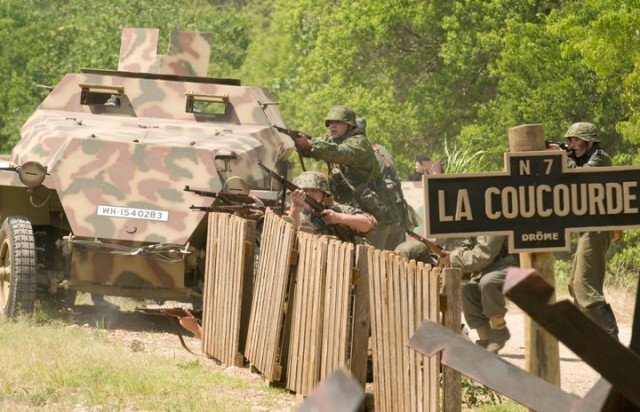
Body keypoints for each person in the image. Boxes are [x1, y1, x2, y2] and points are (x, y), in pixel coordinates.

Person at [292, 106, 401, 250]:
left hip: (369, 212)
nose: (332, 126)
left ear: (349, 125)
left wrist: (310, 145)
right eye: (330, 123)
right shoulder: (333, 140)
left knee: (371, 258)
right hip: (346, 211)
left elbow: (340, 152)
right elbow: (317, 146)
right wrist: (301, 142)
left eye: (338, 122)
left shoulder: (360, 143)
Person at [551, 122, 619, 339]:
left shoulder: (600, 158)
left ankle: (610, 343)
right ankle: (598, 341)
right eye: (570, 140)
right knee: (575, 285)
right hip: (589, 228)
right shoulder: (582, 158)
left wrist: (563, 158)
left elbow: (583, 177)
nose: (573, 144)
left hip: (598, 227)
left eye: (576, 140)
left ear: (589, 141)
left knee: (586, 287)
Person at [440, 235, 517, 354]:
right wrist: (454, 254)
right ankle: (486, 341)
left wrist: (454, 258)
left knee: (488, 283)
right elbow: (468, 244)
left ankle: (500, 329)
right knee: (468, 291)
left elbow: (485, 253)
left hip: (510, 265)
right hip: (488, 268)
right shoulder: (476, 223)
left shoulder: (495, 220)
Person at [287, 171, 377, 242]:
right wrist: (295, 207)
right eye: (304, 190)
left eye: (313, 190)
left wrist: (340, 218)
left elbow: (369, 225)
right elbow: (290, 237)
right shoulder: (295, 213)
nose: (308, 194)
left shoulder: (337, 210)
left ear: (324, 194)